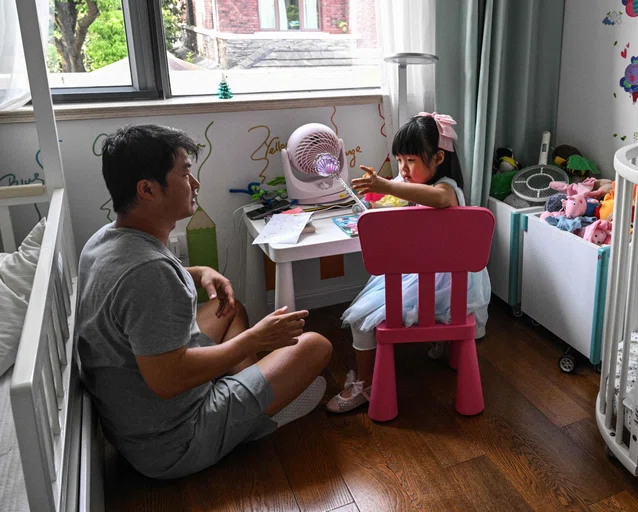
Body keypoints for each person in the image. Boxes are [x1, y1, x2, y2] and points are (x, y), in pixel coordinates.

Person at [76, 124, 332, 479]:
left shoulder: (106, 238)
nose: (194, 183)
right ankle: (248, 417)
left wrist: (201, 272)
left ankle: (250, 401)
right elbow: (168, 379)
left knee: (229, 309)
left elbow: (147, 285)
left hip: (137, 424)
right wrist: (255, 339)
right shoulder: (148, 272)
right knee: (315, 345)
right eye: (184, 173)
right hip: (175, 441)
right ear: (147, 189)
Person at [326, 112, 491, 413]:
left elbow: (438, 200)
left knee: (362, 321)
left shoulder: (448, 189)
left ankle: (366, 385)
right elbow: (409, 198)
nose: (403, 169)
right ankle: (444, 347)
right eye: (399, 160)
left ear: (439, 157)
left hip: (446, 286)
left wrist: (388, 187)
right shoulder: (423, 188)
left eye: (411, 160)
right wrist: (384, 193)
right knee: (382, 294)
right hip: (440, 281)